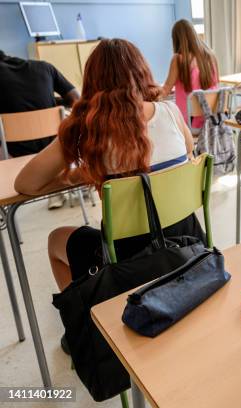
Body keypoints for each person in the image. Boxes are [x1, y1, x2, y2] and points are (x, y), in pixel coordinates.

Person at [14, 39, 199, 353]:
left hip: (129, 262)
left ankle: (87, 326)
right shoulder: (170, 112)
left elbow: (26, 184)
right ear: (142, 72)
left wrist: (78, 174)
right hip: (190, 248)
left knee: (56, 240)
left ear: (93, 82)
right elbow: (190, 155)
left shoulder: (88, 129)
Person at [0, 50, 80, 209]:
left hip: (15, 150)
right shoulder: (45, 67)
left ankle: (4, 204)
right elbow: (78, 100)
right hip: (55, 144)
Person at [162, 19, 219, 129]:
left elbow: (165, 90)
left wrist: (148, 95)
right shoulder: (210, 56)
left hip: (188, 122)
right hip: (210, 119)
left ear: (176, 39)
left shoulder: (179, 59)